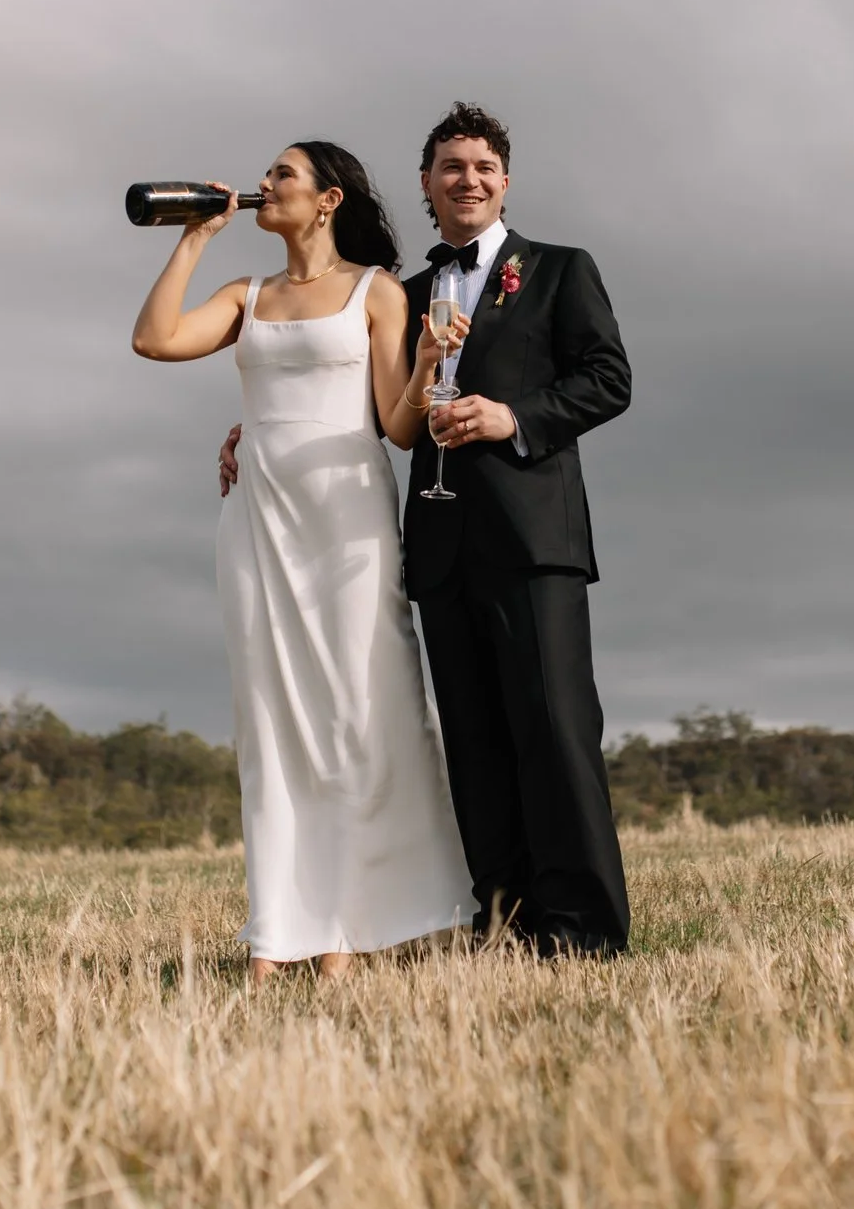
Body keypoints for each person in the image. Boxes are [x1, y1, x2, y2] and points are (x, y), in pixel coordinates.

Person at [223, 104, 634, 956]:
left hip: (534, 540)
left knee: (554, 729)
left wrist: (510, 415)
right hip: (437, 552)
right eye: (452, 166)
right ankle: (503, 921)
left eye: (483, 166)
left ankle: (584, 929)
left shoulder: (559, 270)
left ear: (505, 180)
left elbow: (608, 379)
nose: (468, 179)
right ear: (427, 184)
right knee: (474, 743)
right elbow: (358, 402)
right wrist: (247, 431)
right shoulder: (397, 294)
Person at [131, 141, 474, 979]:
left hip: (347, 515)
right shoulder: (247, 295)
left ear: (326, 200)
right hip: (256, 518)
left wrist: (427, 366)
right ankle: (279, 927)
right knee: (272, 721)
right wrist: (196, 237)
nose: (265, 183)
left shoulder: (375, 290)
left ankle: (349, 929)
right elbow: (156, 338)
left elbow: (397, 427)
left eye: (282, 173)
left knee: (360, 711)